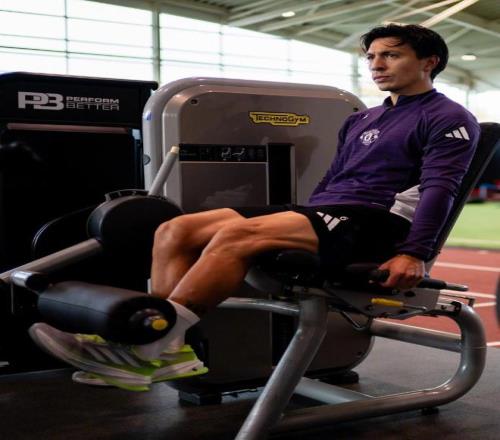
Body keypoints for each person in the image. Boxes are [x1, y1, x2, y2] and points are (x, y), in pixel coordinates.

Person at [30, 24, 480, 390]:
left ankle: (149, 343)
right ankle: (166, 344)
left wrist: (415, 252)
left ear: (429, 61)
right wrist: (302, 216)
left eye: (391, 55)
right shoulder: (362, 119)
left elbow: (440, 187)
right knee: (176, 229)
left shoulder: (446, 116)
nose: (377, 64)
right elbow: (332, 179)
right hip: (333, 213)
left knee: (235, 235)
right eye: (372, 57)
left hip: (379, 222)